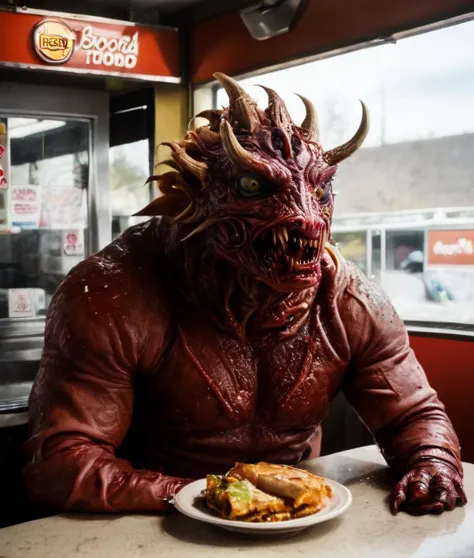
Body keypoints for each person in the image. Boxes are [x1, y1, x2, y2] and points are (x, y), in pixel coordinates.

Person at [24, 73, 466, 516]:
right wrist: (209, 498)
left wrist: (432, 461)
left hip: (296, 518)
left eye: (318, 189)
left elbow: (413, 415)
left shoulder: (347, 298)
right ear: (197, 194)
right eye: (254, 186)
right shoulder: (114, 292)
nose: (310, 220)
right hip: (150, 523)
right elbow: (62, 461)